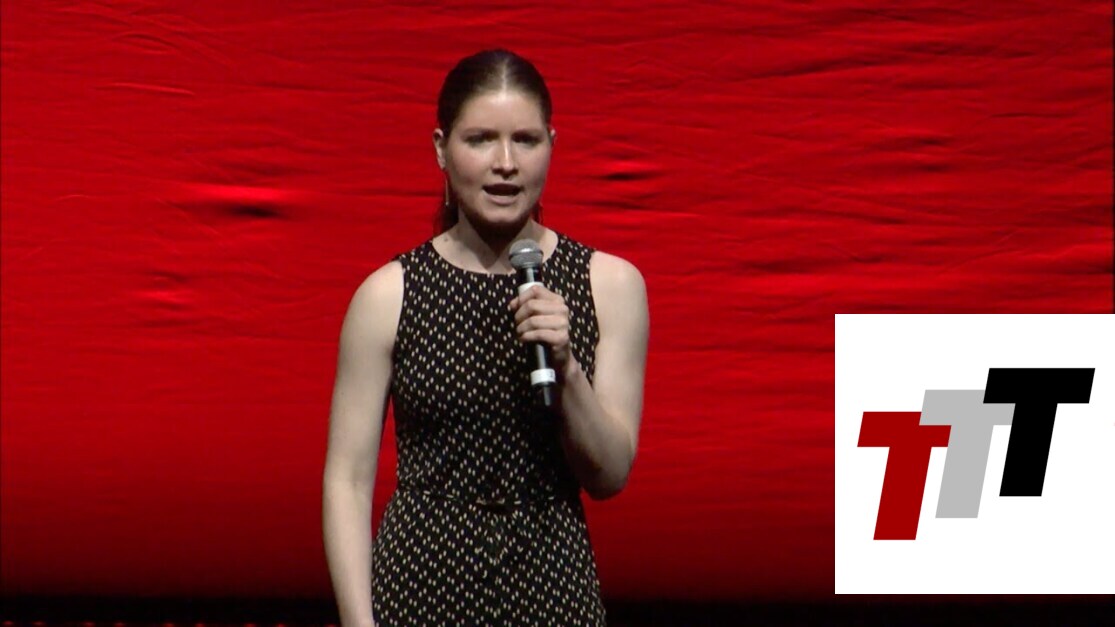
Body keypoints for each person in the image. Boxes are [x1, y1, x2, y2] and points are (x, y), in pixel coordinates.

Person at [322, 48, 649, 626]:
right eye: (480, 140)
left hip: (553, 585)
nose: (505, 163)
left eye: (525, 140)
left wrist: (568, 367)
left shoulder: (610, 284)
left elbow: (610, 474)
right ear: (441, 149)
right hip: (421, 585)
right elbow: (347, 481)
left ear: (552, 145)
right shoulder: (389, 295)